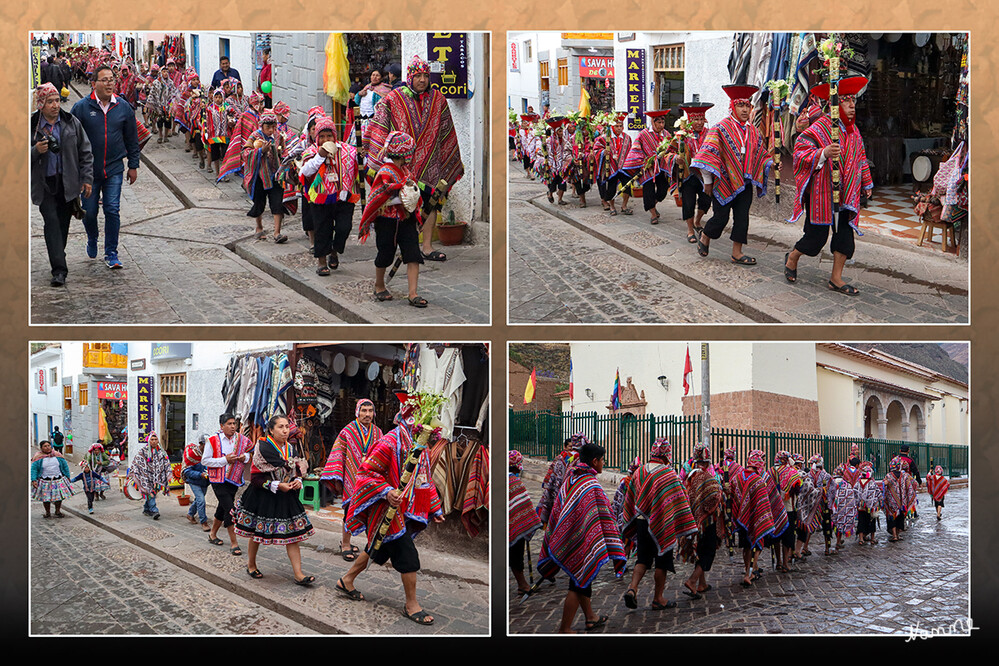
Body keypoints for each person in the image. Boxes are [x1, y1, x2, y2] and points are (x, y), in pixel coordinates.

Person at [339, 398, 446, 625]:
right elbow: (365, 473)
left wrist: (434, 507)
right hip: (385, 509)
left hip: (403, 508)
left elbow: (423, 478)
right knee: (407, 555)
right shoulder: (389, 441)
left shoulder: (420, 445)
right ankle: (411, 605)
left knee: (376, 547)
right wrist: (386, 491)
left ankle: (346, 580)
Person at [364, 55, 464, 262]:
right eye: (417, 75)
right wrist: (382, 152)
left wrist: (449, 158)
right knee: (403, 203)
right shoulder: (395, 98)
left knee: (430, 203)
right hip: (402, 164)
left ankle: (426, 247)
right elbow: (380, 121)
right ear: (410, 77)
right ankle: (407, 245)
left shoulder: (438, 99)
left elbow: (447, 131)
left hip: (431, 162)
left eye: (425, 75)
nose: (422, 80)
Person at [784, 77, 873, 294]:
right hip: (822, 193)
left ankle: (836, 278)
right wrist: (822, 153)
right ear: (834, 104)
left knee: (845, 237)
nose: (852, 106)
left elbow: (860, 155)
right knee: (816, 239)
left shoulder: (854, 130)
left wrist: (866, 182)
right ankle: (792, 257)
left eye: (853, 101)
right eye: (846, 101)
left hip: (847, 193)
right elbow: (800, 152)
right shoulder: (820, 127)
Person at [538, 441, 625, 633]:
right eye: (602, 460)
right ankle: (565, 628)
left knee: (583, 580)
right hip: (580, 541)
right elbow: (604, 514)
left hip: (571, 537)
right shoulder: (590, 484)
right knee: (577, 582)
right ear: (594, 461)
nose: (604, 463)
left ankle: (591, 618)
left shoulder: (572, 477)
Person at [691, 84, 773, 266]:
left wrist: (772, 163)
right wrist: (707, 181)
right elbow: (706, 154)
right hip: (723, 181)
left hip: (745, 182)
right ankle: (705, 235)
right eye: (740, 105)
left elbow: (761, 153)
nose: (745, 110)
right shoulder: (719, 128)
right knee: (721, 218)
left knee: (742, 218)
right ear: (732, 107)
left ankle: (737, 252)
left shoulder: (753, 130)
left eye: (748, 106)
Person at [71, 63, 140, 270]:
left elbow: (132, 138)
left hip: (114, 169)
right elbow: (71, 139)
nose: (110, 83)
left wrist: (133, 165)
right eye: (105, 80)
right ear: (94, 84)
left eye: (112, 79)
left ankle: (111, 252)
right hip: (88, 173)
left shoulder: (123, 107)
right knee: (89, 212)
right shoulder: (81, 108)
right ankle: (92, 237)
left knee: (112, 209)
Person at [233, 414, 316, 584]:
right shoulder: (262, 447)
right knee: (256, 532)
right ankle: (251, 565)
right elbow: (256, 478)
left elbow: (295, 470)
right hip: (263, 496)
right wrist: (277, 485)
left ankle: (298, 573)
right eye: (280, 427)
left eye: (287, 426)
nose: (285, 430)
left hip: (286, 496)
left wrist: (297, 481)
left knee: (293, 534)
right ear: (271, 430)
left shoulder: (291, 449)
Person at [621, 438, 697, 611]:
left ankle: (632, 589)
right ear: (667, 455)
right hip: (662, 522)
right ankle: (658, 598)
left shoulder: (639, 471)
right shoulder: (669, 474)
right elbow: (680, 498)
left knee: (643, 559)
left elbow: (631, 498)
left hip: (641, 523)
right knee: (662, 560)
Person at [359, 130, 427, 307]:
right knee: (385, 254)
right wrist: (404, 193)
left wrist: (411, 197)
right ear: (403, 153)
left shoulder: (405, 171)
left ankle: (413, 293)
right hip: (386, 221)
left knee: (412, 254)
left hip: (406, 219)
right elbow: (380, 196)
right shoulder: (384, 172)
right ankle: (379, 285)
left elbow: (409, 191)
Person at [320, 398, 383, 561]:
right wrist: (338, 480)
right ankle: (346, 544)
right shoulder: (347, 431)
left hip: (371, 480)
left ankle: (370, 547)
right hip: (352, 479)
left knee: (372, 511)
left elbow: (384, 455)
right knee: (350, 510)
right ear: (357, 412)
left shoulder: (378, 432)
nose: (367, 414)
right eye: (364, 411)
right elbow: (337, 454)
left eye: (370, 411)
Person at [299, 116, 359, 275]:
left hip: (344, 196)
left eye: (329, 136)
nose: (326, 139)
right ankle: (321, 262)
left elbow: (359, 164)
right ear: (317, 137)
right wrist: (320, 156)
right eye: (323, 136)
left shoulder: (348, 150)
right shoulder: (311, 152)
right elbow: (305, 172)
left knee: (344, 227)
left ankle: (334, 251)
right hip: (320, 198)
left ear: (335, 136)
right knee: (322, 229)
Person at [203, 413, 253, 555]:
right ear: (221, 426)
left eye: (234, 424)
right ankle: (234, 543)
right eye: (229, 424)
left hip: (234, 479)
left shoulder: (241, 440)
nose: (232, 427)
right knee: (230, 509)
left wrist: (245, 457)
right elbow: (205, 461)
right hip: (218, 480)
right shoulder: (212, 440)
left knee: (222, 507)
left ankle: (212, 534)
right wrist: (224, 460)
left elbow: (250, 453)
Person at [679, 443, 724, 599]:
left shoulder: (690, 476)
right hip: (707, 521)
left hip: (693, 520)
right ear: (707, 462)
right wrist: (722, 492)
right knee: (708, 550)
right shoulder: (707, 477)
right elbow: (714, 498)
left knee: (700, 550)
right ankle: (692, 581)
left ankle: (702, 584)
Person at [730, 449, 776, 587]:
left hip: (741, 519)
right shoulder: (758, 480)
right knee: (756, 543)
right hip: (756, 518)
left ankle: (747, 570)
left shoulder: (737, 477)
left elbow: (732, 495)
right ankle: (749, 573)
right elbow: (763, 503)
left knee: (745, 546)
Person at [241, 110, 287, 243]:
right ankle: (259, 227)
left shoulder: (278, 136)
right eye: (268, 127)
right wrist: (261, 151)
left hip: (275, 174)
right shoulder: (254, 136)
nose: (271, 130)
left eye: (273, 127)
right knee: (259, 202)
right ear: (262, 126)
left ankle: (277, 232)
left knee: (277, 202)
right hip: (259, 176)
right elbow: (245, 153)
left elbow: (284, 150)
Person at [620, 109, 674, 225]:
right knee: (648, 191)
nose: (661, 125)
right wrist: (643, 162)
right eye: (658, 123)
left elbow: (671, 149)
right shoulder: (643, 134)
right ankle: (653, 214)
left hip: (661, 168)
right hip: (647, 169)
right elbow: (635, 150)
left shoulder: (666, 134)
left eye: (662, 123)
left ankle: (653, 205)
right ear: (653, 122)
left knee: (663, 190)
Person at [674, 102, 714, 242]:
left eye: (701, 119)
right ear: (690, 121)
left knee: (705, 201)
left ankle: (698, 221)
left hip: (706, 176)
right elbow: (668, 152)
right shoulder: (681, 136)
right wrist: (676, 158)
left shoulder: (710, 135)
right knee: (688, 203)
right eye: (696, 119)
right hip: (688, 175)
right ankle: (690, 230)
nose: (699, 122)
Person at [509, 450, 544, 596]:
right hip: (516, 525)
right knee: (516, 554)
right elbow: (524, 507)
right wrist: (526, 522)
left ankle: (522, 584)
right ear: (517, 467)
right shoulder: (515, 483)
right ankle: (522, 585)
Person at [535, 435, 583, 526]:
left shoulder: (574, 460)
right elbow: (552, 475)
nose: (570, 449)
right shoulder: (563, 460)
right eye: (569, 447)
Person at [591, 112, 632, 215]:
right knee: (611, 188)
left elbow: (631, 151)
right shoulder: (604, 138)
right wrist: (602, 152)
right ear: (612, 127)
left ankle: (624, 206)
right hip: (611, 167)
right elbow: (596, 149)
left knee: (627, 186)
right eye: (616, 126)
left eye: (621, 126)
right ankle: (612, 206)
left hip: (624, 167)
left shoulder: (627, 138)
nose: (619, 128)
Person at [220, 91, 264, 182]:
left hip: (258, 148)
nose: (262, 106)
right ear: (255, 104)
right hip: (248, 148)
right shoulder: (245, 116)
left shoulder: (260, 116)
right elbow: (240, 133)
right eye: (261, 103)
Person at [130, 432, 171, 520]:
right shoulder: (143, 451)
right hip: (146, 477)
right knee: (150, 493)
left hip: (158, 477)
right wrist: (136, 473)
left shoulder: (162, 451)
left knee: (153, 493)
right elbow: (137, 462)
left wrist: (168, 473)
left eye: (156, 439)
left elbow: (166, 462)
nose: (154, 441)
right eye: (152, 440)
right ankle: (154, 510)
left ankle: (146, 508)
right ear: (149, 441)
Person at [31, 441, 74, 518]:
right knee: (46, 498)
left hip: (57, 481)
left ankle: (57, 511)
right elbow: (34, 469)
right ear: (41, 448)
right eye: (45, 446)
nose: (47, 447)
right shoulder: (38, 457)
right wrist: (33, 480)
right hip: (45, 482)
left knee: (59, 497)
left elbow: (65, 466)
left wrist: (67, 476)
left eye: (48, 445)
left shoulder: (57, 455)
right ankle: (48, 512)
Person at [832, 450, 862, 550]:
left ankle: (836, 541)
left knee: (837, 519)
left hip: (839, 500)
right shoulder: (858, 473)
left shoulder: (845, 472)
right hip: (850, 498)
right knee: (846, 518)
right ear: (857, 465)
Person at [71, 443, 110, 514]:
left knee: (96, 491)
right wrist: (69, 481)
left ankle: (101, 493)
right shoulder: (82, 474)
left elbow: (100, 477)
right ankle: (91, 506)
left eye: (97, 450)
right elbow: (76, 479)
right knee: (89, 498)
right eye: (95, 450)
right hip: (87, 487)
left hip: (101, 471)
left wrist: (101, 463)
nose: (96, 452)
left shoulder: (103, 455)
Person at [182, 437, 211, 531]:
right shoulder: (192, 454)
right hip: (194, 481)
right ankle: (204, 522)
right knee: (201, 500)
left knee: (199, 500)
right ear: (201, 444)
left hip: (204, 481)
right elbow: (187, 471)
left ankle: (190, 514)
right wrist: (200, 474)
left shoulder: (209, 454)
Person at [884, 457, 916, 542]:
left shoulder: (889, 476)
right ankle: (898, 534)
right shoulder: (905, 476)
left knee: (892, 518)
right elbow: (910, 487)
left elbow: (885, 486)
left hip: (892, 501)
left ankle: (894, 535)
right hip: (902, 502)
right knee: (900, 518)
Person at [542, 118, 572, 206]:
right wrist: (544, 148)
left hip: (562, 165)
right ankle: (550, 193)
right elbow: (544, 152)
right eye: (559, 132)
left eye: (562, 132)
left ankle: (560, 199)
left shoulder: (564, 141)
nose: (561, 133)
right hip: (552, 165)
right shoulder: (548, 141)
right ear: (555, 132)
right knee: (552, 183)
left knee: (562, 182)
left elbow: (568, 149)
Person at [203, 88, 229, 180]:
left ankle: (225, 174)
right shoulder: (209, 109)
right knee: (216, 155)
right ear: (213, 98)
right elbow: (205, 121)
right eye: (216, 97)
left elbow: (233, 116)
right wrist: (206, 132)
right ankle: (218, 173)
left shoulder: (226, 108)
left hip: (224, 135)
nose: (218, 99)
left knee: (225, 155)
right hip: (213, 136)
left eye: (220, 97)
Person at [146, 65, 175, 144]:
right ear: (160, 73)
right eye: (163, 71)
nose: (165, 73)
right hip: (158, 105)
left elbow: (173, 93)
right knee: (159, 121)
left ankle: (165, 136)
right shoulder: (156, 83)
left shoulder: (171, 83)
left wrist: (172, 104)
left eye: (166, 72)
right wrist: (152, 104)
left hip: (168, 105)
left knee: (167, 121)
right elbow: (152, 93)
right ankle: (160, 136)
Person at [855, 461, 881, 543]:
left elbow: (855, 494)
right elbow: (877, 493)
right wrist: (880, 501)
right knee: (872, 521)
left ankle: (861, 539)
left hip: (861, 507)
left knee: (861, 521)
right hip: (871, 507)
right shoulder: (871, 483)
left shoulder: (858, 483)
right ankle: (872, 538)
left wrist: (859, 502)